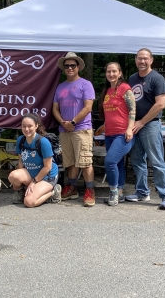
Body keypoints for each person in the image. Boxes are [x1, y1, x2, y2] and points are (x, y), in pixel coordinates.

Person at [126, 48, 165, 209]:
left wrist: (142, 122)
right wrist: (131, 123)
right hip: (134, 125)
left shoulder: (157, 79)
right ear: (135, 60)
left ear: (151, 60)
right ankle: (142, 192)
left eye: (145, 59)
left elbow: (160, 104)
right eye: (140, 58)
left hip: (150, 125)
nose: (142, 61)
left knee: (156, 160)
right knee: (137, 160)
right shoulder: (132, 79)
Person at [52, 52, 96, 207]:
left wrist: (73, 121)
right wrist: (64, 123)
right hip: (65, 130)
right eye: (67, 66)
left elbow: (88, 107)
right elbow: (55, 108)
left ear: (78, 67)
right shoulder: (60, 86)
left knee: (85, 161)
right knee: (69, 162)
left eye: (72, 65)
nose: (69, 68)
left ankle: (89, 190)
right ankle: (72, 188)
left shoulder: (86, 84)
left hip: (82, 129)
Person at [98, 62, 136, 206]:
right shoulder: (107, 91)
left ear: (120, 73)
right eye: (109, 71)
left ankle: (113, 191)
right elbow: (111, 112)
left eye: (114, 71)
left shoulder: (125, 88)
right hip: (109, 134)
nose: (111, 74)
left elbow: (132, 109)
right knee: (118, 163)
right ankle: (119, 193)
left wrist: (129, 128)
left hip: (123, 133)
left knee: (110, 161)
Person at [8, 113, 61, 208]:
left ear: (36, 126)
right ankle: (22, 192)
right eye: (24, 126)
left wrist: (34, 182)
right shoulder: (20, 140)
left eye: (30, 126)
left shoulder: (43, 142)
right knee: (13, 176)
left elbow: (47, 167)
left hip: (46, 176)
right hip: (31, 173)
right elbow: (21, 161)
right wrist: (20, 183)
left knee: (29, 202)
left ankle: (53, 192)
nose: (26, 129)